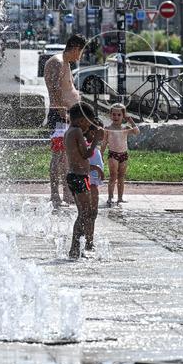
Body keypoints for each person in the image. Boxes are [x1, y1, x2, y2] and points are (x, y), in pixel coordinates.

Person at [44, 34, 86, 207]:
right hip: (60, 116)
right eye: (81, 51)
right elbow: (54, 89)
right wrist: (63, 113)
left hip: (68, 116)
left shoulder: (66, 63)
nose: (81, 56)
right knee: (59, 155)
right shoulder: (58, 62)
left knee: (67, 158)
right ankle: (55, 195)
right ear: (76, 48)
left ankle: (67, 194)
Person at [64, 102, 102, 258]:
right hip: (79, 177)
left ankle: (78, 246)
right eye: (88, 122)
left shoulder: (70, 131)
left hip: (76, 176)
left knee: (85, 212)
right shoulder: (77, 131)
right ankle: (74, 247)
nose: (89, 125)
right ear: (81, 120)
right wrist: (96, 140)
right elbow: (86, 154)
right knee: (85, 213)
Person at [105, 103, 139, 207]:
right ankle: (110, 197)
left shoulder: (125, 128)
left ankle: (120, 197)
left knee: (121, 176)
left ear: (123, 116)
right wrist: (101, 154)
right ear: (110, 115)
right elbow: (104, 142)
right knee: (113, 176)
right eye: (114, 114)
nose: (116, 117)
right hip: (113, 155)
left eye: (119, 115)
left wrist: (131, 121)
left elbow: (137, 132)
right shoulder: (108, 128)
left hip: (123, 155)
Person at [84, 120, 104, 249]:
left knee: (94, 213)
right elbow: (81, 163)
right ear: (92, 132)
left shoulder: (94, 145)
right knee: (89, 213)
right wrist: (97, 168)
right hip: (88, 183)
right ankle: (87, 240)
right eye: (100, 132)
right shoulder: (86, 145)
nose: (103, 134)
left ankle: (89, 240)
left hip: (94, 183)